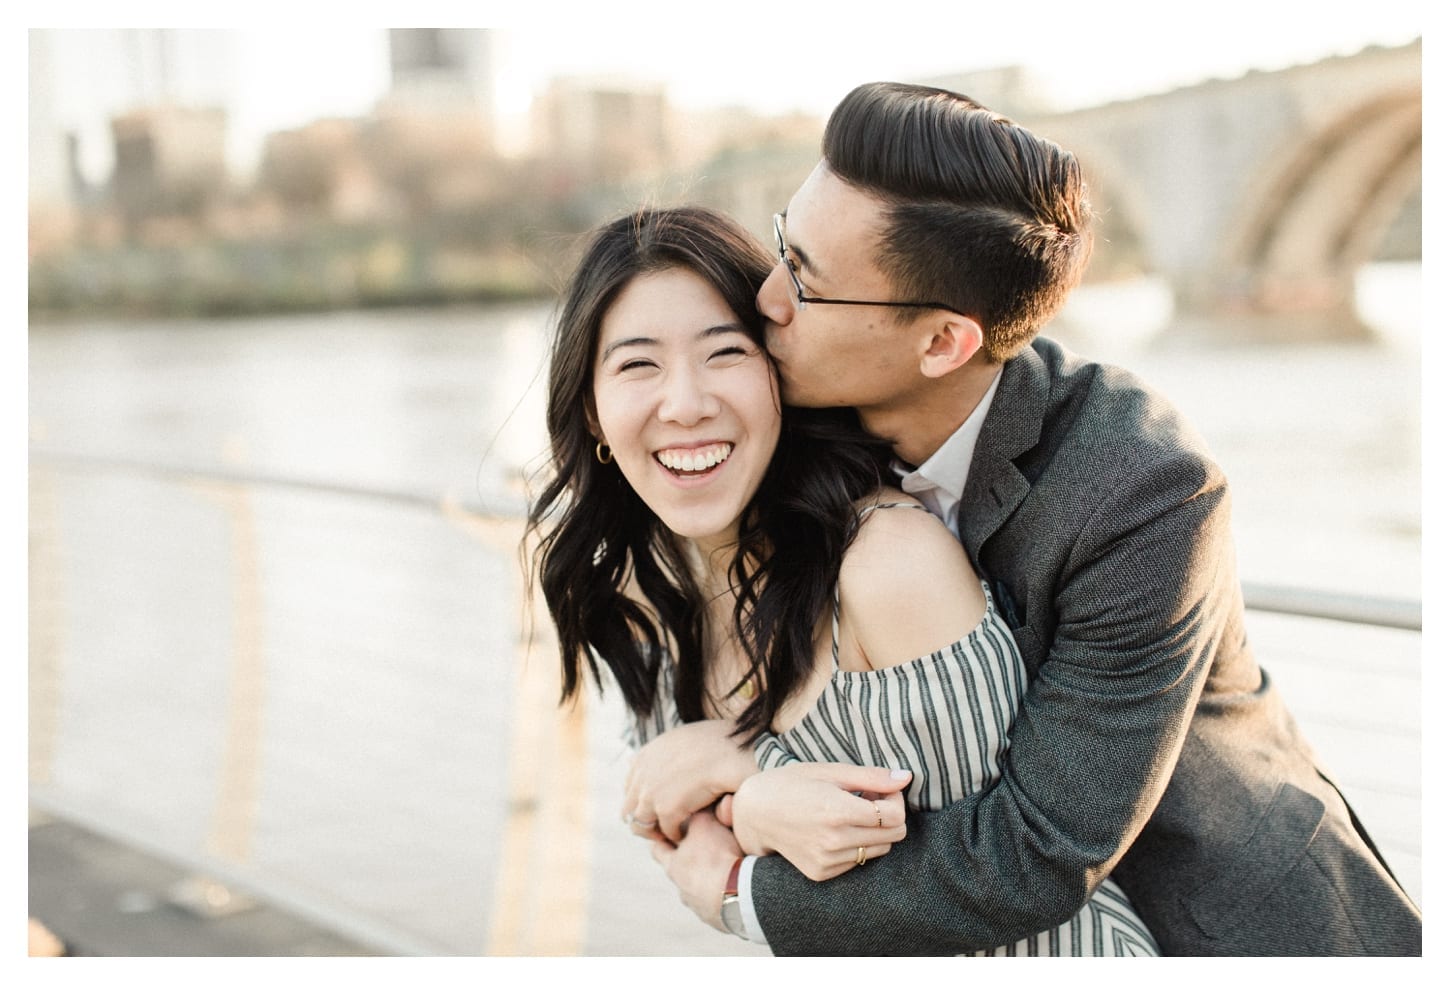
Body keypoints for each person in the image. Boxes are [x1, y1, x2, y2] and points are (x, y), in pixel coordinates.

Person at [641, 83, 1423, 956]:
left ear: (943, 343)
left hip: (1234, 927)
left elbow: (1034, 853)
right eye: (785, 245)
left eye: (807, 284)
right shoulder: (797, 421)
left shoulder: (1144, 492)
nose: (768, 298)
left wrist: (740, 881)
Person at [527, 204, 1159, 955]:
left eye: (724, 353)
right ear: (594, 415)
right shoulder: (650, 585)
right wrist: (744, 802)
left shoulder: (886, 566)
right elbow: (663, 803)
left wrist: (746, 777)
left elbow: (997, 890)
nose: (687, 403)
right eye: (638, 364)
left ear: (780, 379)